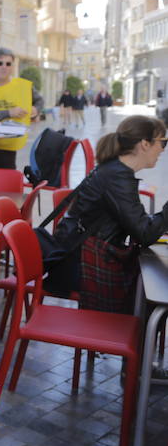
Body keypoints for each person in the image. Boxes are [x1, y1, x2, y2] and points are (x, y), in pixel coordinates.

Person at [59, 115, 167, 314]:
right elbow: (144, 233)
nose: (163, 149)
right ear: (144, 143)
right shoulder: (117, 177)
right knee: (153, 289)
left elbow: (137, 223)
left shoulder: (115, 170)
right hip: (84, 265)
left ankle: (146, 339)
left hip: (84, 255)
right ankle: (141, 340)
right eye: (163, 142)